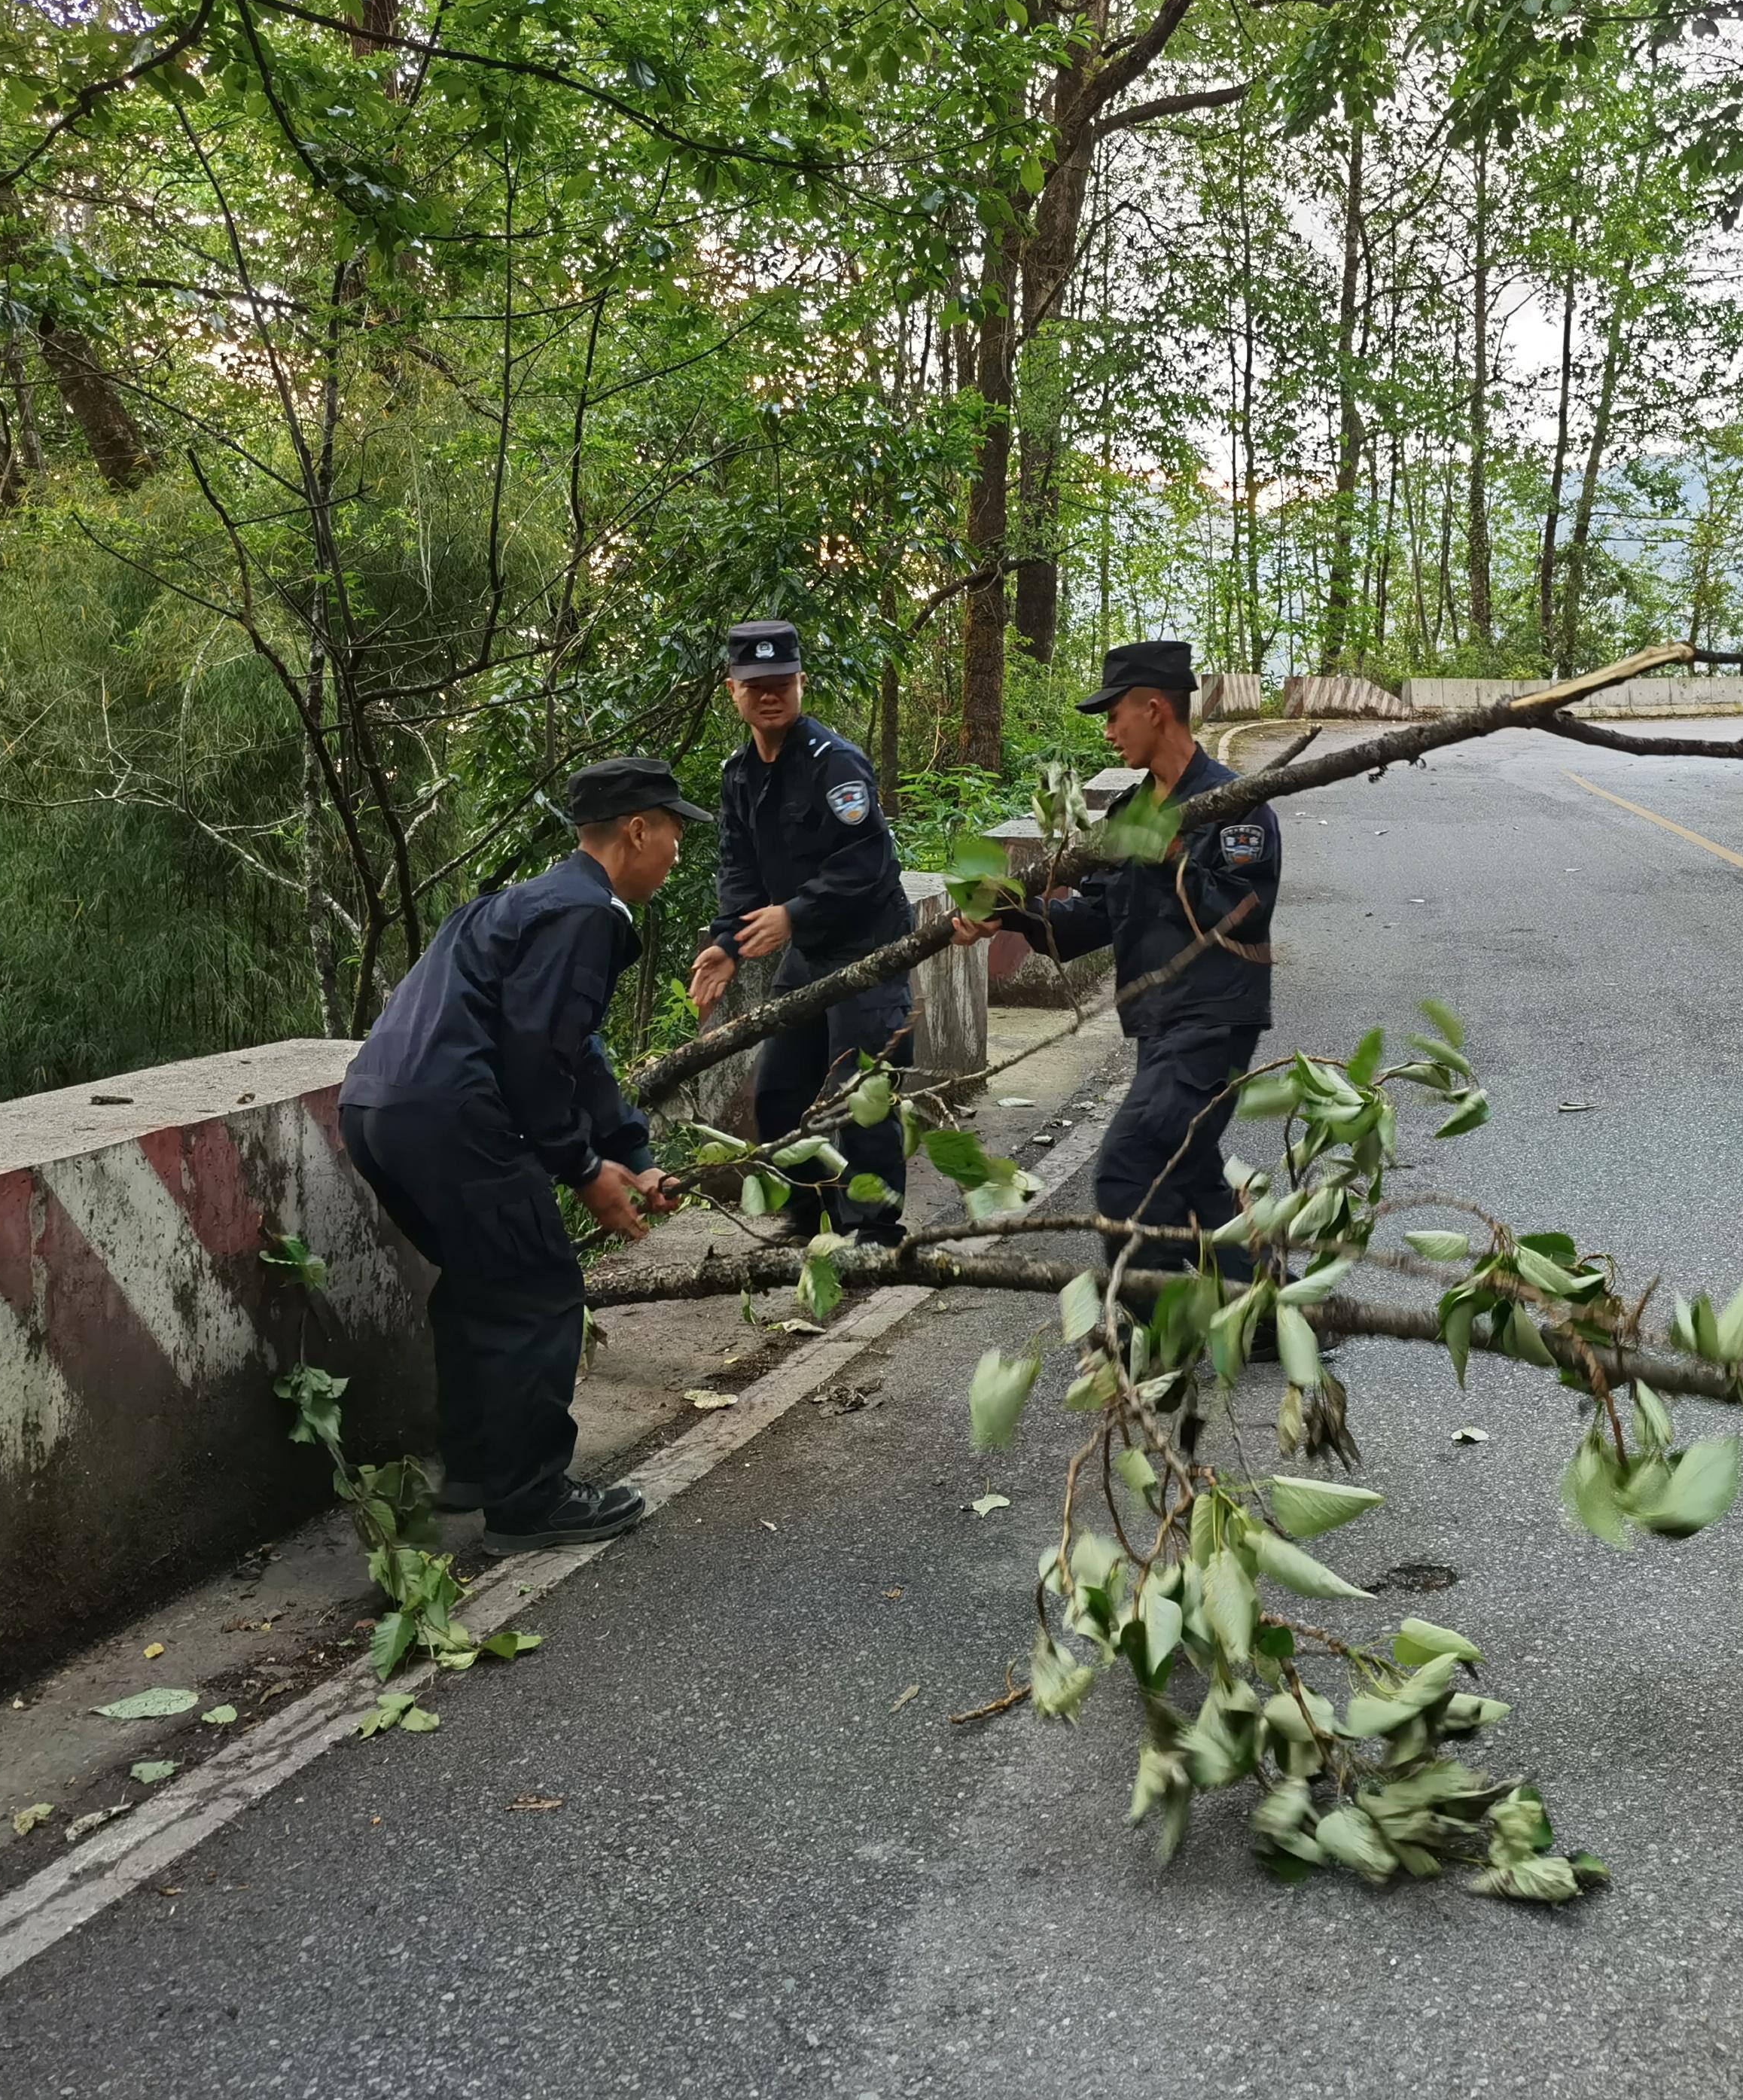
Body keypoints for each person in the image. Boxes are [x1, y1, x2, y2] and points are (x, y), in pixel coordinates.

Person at [337, 756, 704, 1552]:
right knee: (539, 1293)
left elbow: (580, 1052)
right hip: (454, 1119)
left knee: (483, 1285)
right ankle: (529, 1501)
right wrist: (581, 1169)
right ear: (636, 829)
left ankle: (475, 1470)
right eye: (673, 829)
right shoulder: (586, 916)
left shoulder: (523, 904)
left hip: (376, 1113)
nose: (678, 848)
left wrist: (632, 1152)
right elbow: (536, 1058)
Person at [952, 640, 1280, 1272]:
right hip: (1156, 1026)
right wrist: (1012, 913)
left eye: (1113, 716)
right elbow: (1094, 918)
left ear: (1154, 709)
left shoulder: (1234, 805)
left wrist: (1174, 853)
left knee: (1131, 1176)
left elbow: (1244, 912)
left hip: (1211, 1025)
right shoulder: (1131, 811)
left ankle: (1155, 1336)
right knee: (1191, 1179)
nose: (1107, 733)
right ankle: (1269, 1315)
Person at [687, 617, 915, 1244]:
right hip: (812, 951)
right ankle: (812, 1210)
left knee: (862, 1094)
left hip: (868, 943)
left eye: (782, 681)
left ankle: (873, 1232)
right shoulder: (740, 774)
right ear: (732, 690)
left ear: (801, 684)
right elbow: (738, 868)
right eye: (756, 683)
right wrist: (728, 944)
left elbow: (868, 863)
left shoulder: (833, 763)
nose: (770, 694)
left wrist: (793, 913)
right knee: (779, 1091)